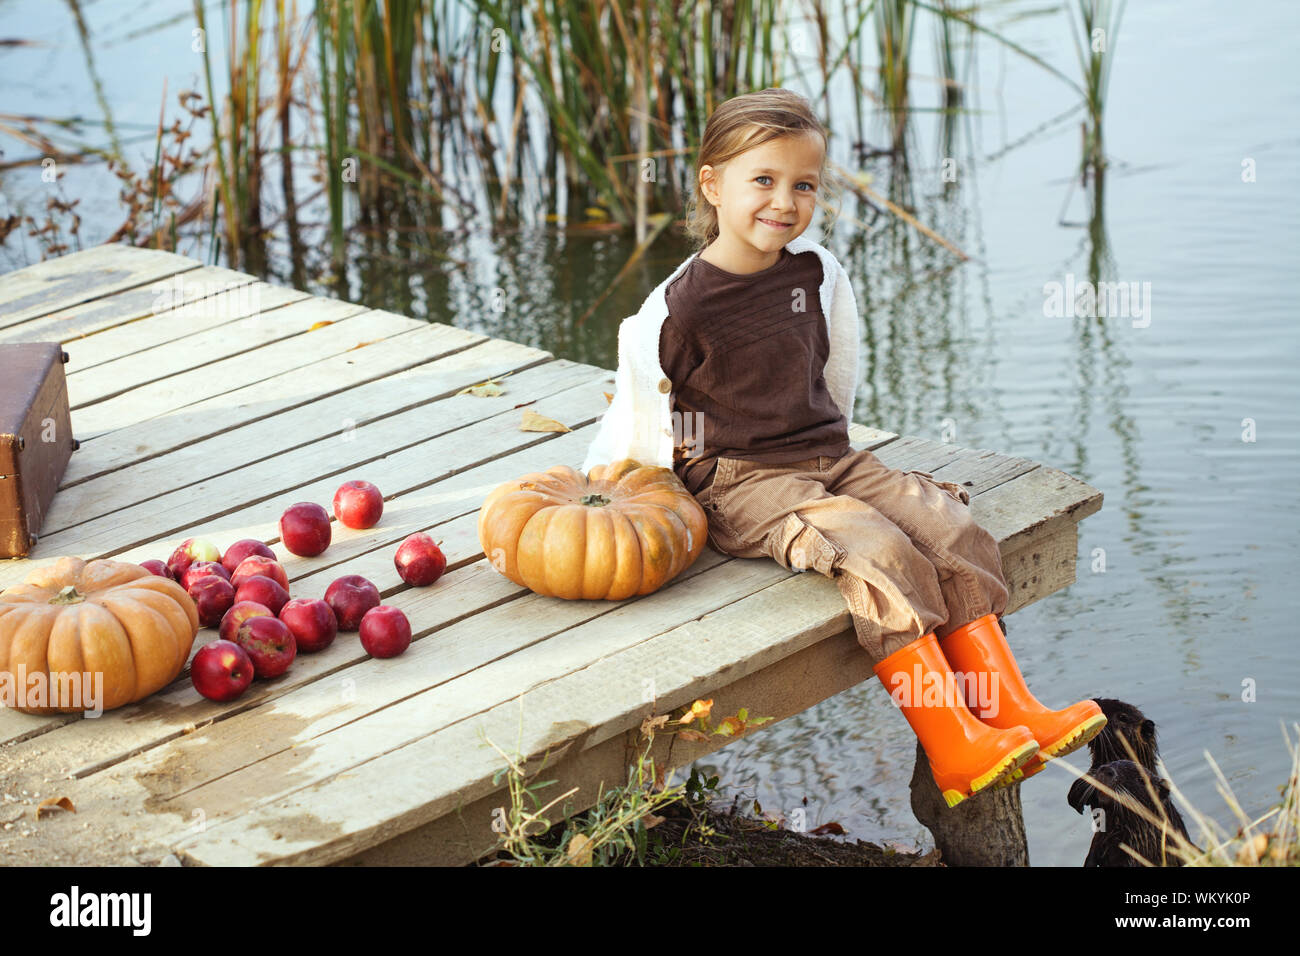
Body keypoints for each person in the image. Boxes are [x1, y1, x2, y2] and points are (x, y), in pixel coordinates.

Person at [580, 88, 1105, 808]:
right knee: (877, 549)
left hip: (827, 453)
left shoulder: (815, 272)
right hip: (739, 479)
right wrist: (636, 498)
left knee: (947, 526)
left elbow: (835, 370)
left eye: (803, 184)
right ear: (712, 183)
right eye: (761, 180)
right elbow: (643, 412)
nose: (783, 201)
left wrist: (845, 462)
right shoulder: (677, 309)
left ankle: (1007, 706)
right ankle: (953, 744)